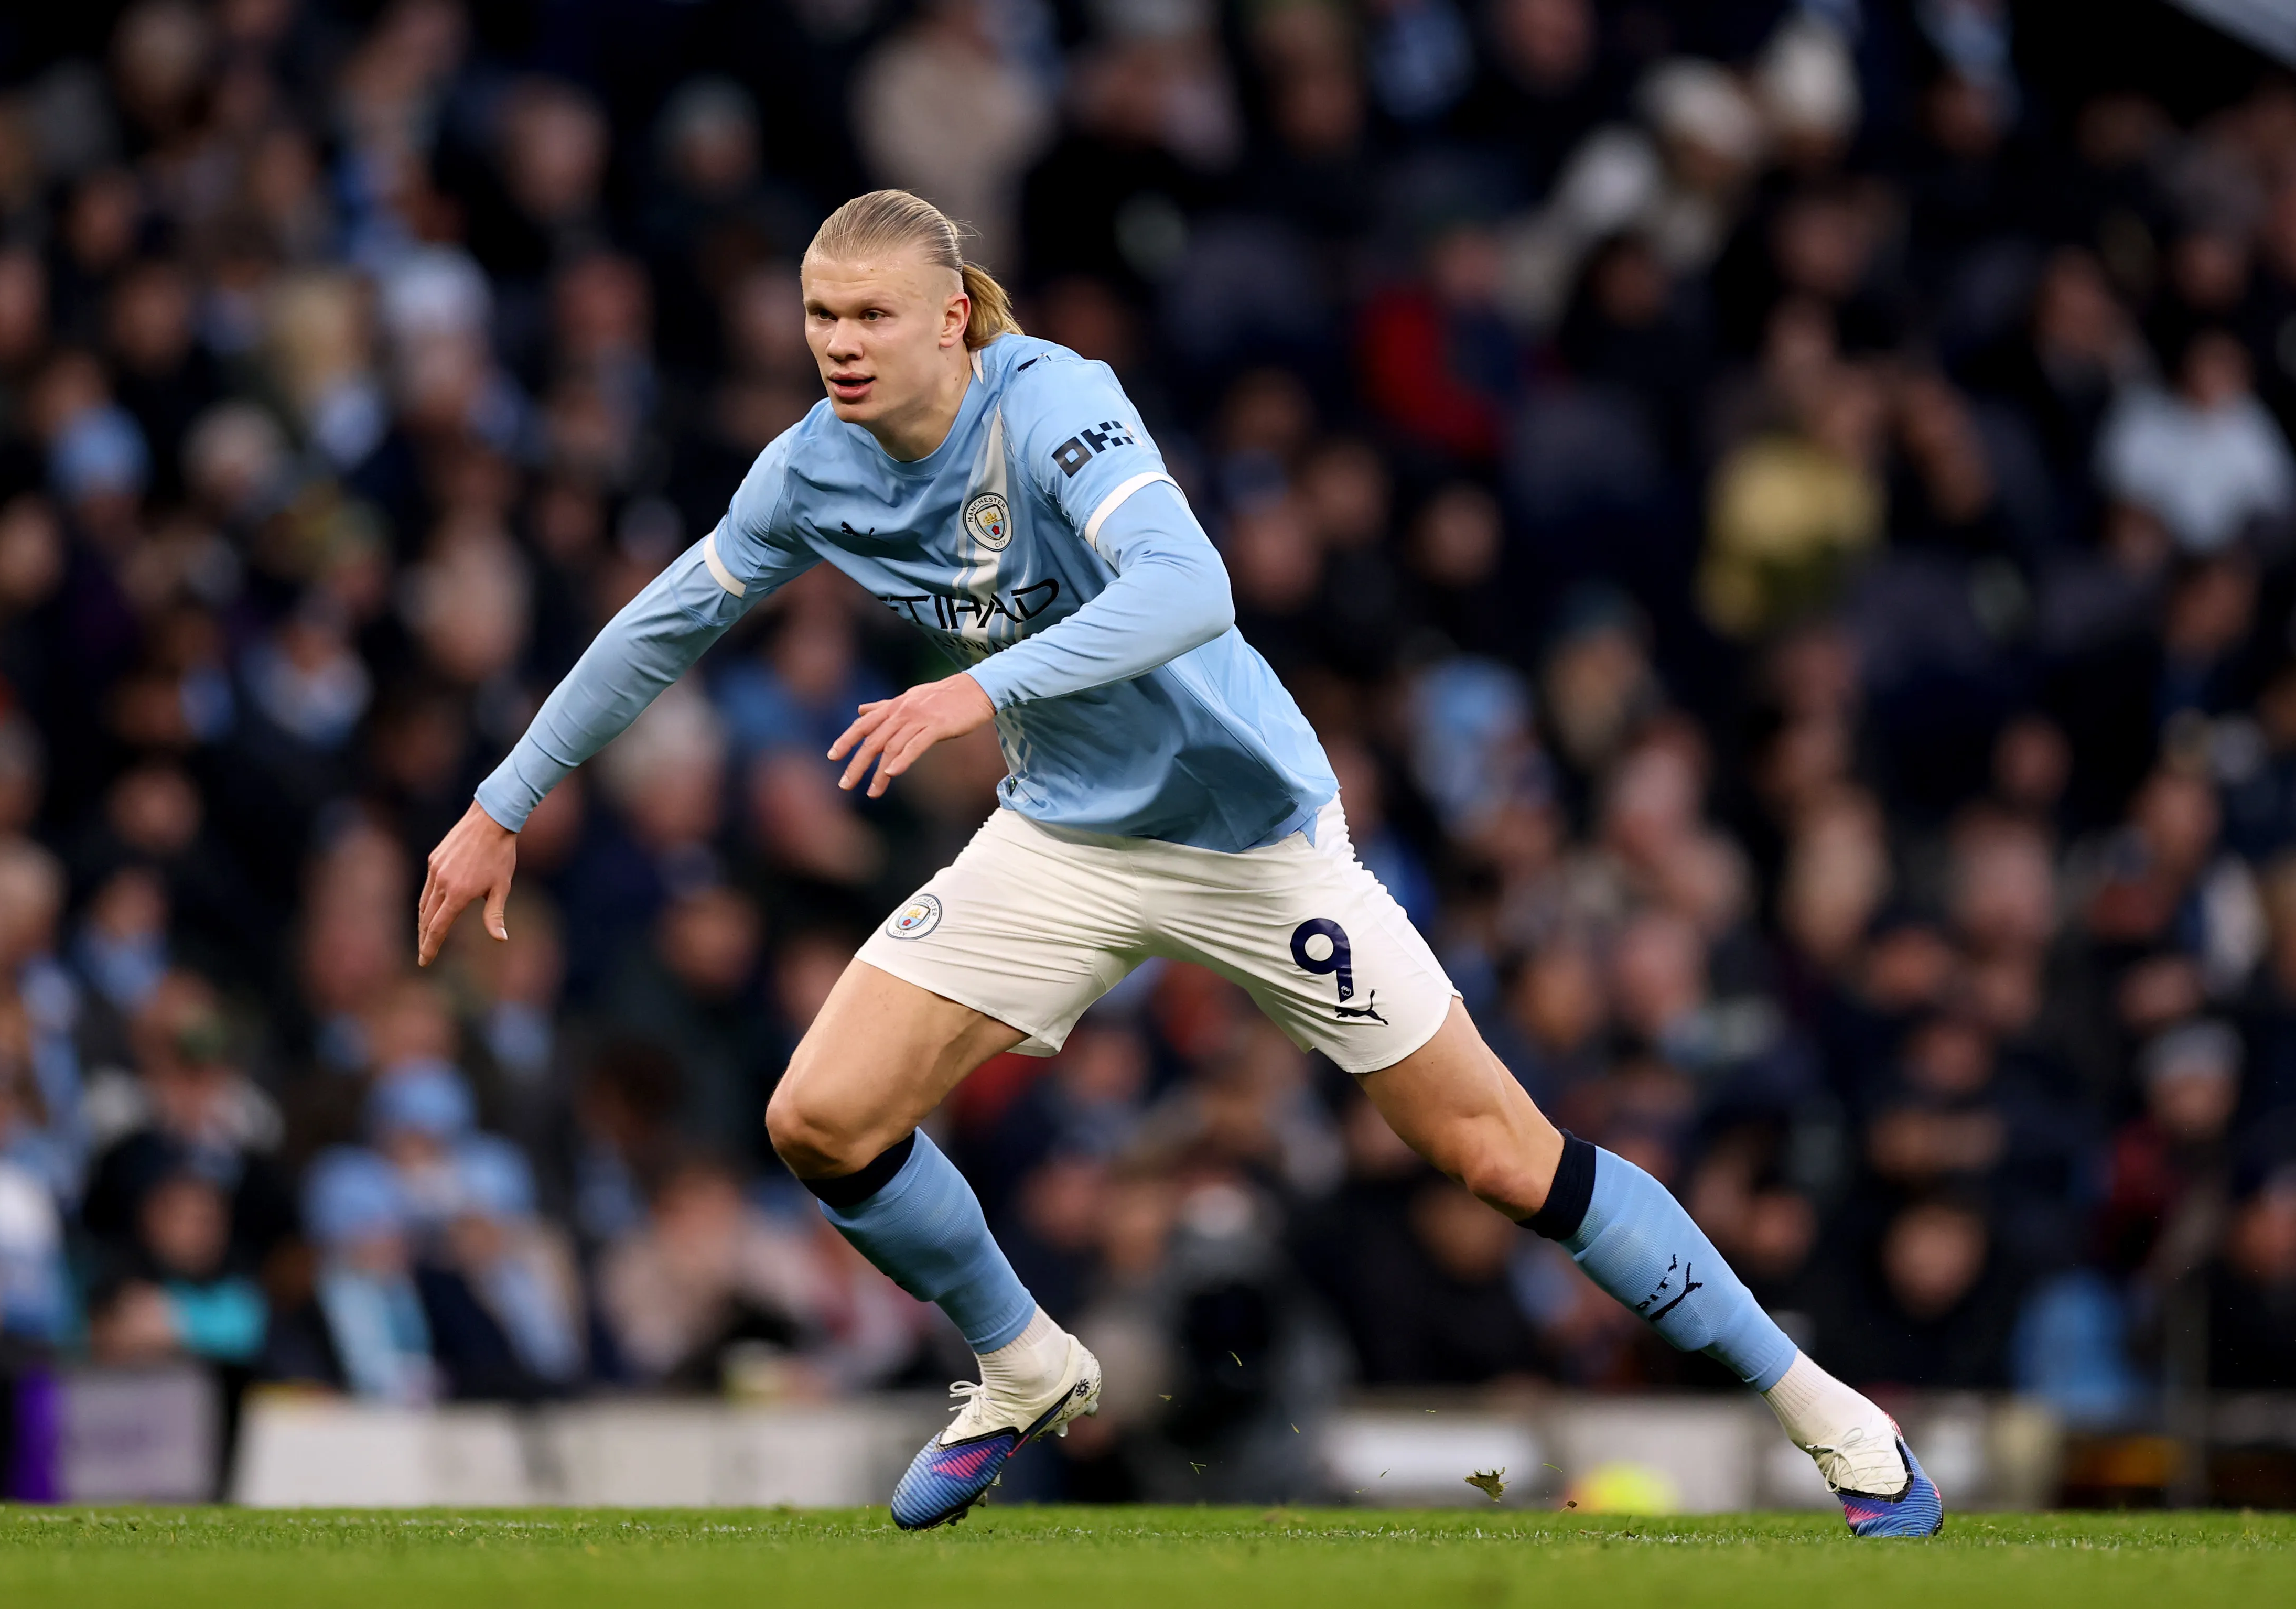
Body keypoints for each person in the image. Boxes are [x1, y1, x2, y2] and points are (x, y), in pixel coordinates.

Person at [415, 189, 1943, 1536]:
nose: (841, 341)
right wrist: (503, 801)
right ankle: (1021, 1361)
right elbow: (665, 620)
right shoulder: (810, 470)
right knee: (819, 1116)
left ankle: (1831, 1414)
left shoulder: (1057, 401)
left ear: (952, 313)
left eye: (873, 312)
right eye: (820, 314)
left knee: (1500, 1156)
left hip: (1250, 844)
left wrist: (974, 690)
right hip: (1067, 836)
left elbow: (1191, 588)